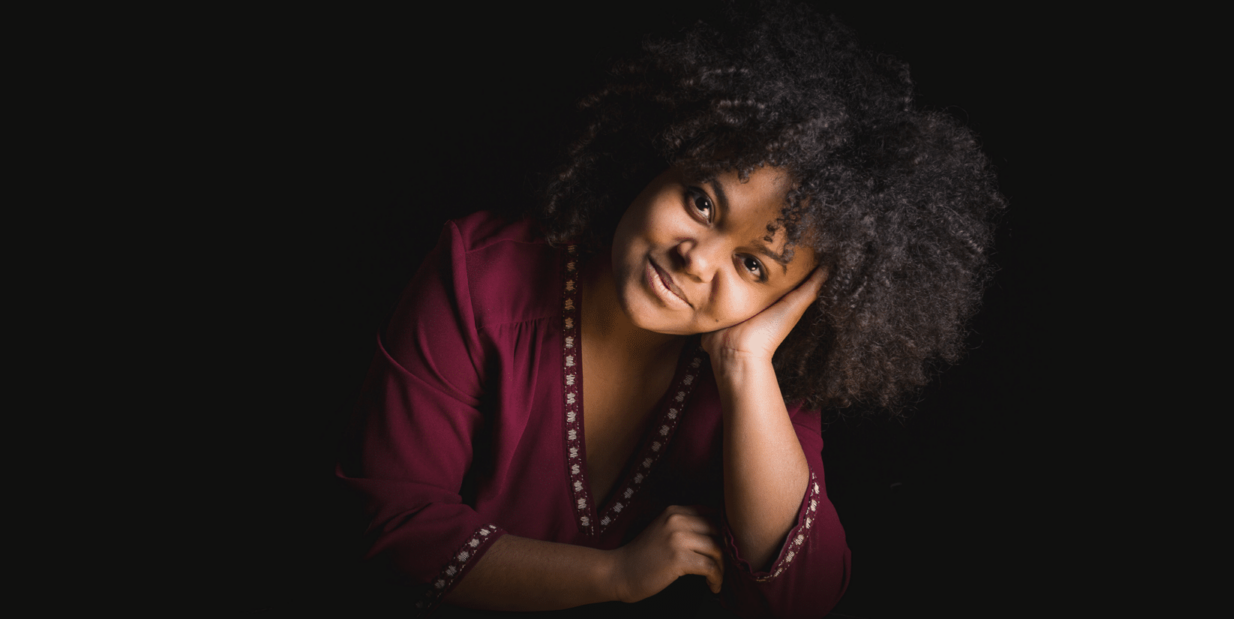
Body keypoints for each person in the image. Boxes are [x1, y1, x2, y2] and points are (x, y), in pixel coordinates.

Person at [338, 3, 1004, 617]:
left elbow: (803, 602)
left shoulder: (763, 377)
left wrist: (744, 364)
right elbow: (395, 527)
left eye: (753, 265)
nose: (697, 259)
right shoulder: (480, 274)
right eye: (702, 202)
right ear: (664, 156)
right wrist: (616, 575)